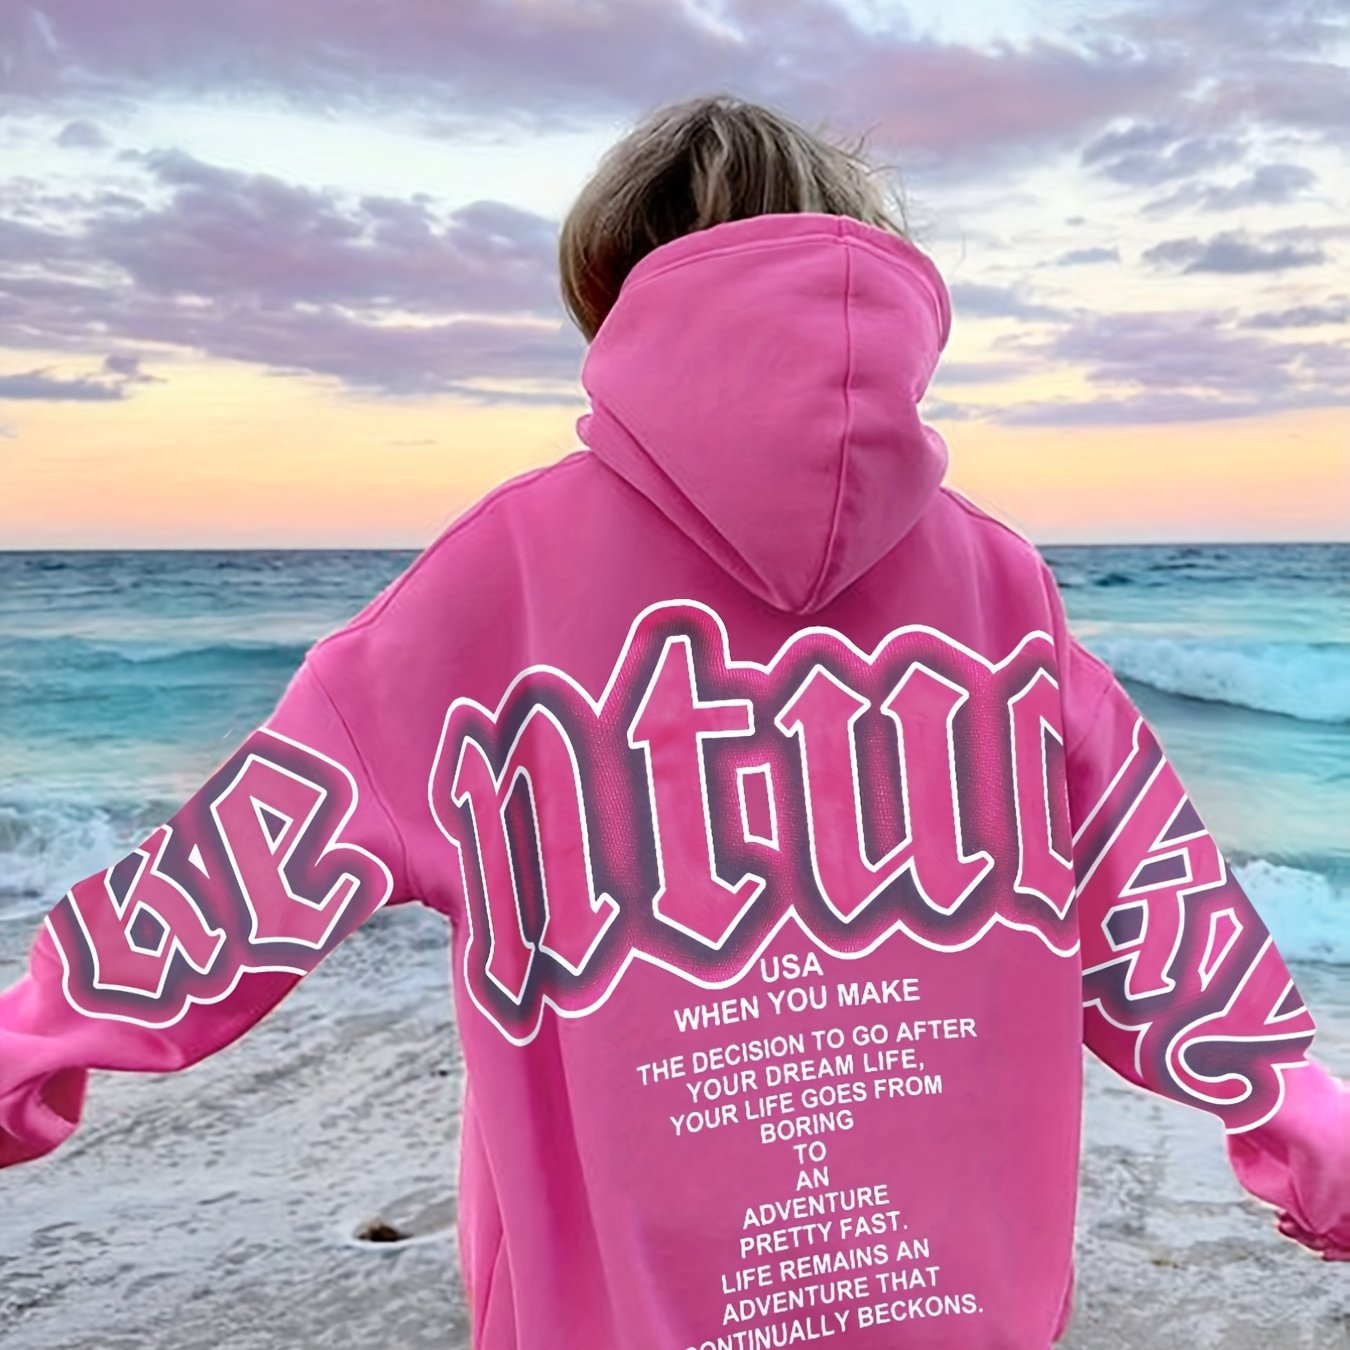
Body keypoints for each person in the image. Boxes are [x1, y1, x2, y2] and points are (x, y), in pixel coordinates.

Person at [1, 92, 1345, 1349]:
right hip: (960, 1292)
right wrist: (1308, 1131)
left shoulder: (497, 578)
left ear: (610, 290)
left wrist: (29, 1052)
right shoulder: (999, 584)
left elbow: (241, 868)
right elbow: (1157, 902)